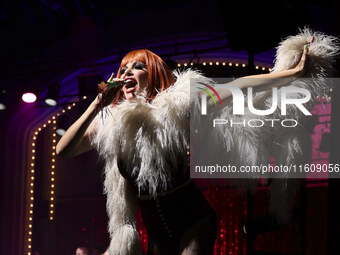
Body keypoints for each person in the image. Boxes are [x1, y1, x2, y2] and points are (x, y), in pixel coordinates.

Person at [57, 28, 335, 254]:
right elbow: (63, 150)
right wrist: (96, 104)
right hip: (155, 234)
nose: (127, 71)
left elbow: (238, 87)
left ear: (152, 73)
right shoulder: (112, 122)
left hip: (194, 222)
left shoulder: (178, 107)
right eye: (123, 67)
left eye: (137, 66)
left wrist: (289, 73)